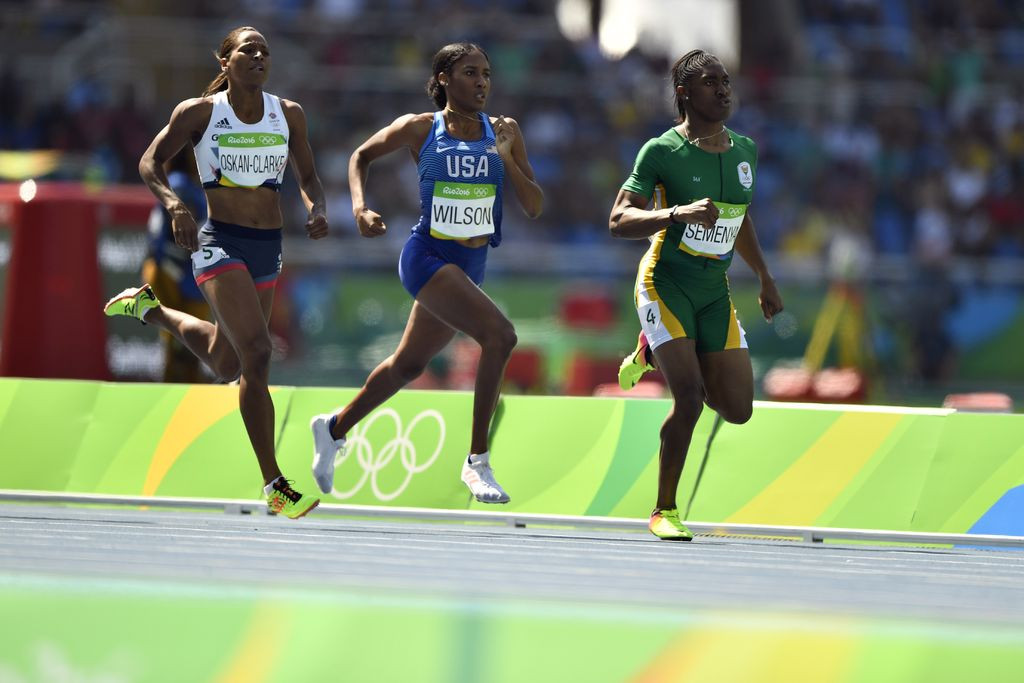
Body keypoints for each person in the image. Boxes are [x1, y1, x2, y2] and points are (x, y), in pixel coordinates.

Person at [103, 26, 328, 519]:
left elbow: (307, 174)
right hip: (219, 242)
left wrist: (315, 207)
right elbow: (149, 162)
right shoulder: (199, 114)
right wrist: (175, 207)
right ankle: (274, 484)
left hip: (268, 246)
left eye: (265, 50)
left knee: (229, 365)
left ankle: (151, 310)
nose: (259, 55)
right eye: (248, 49)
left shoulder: (288, 114)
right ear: (224, 62)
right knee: (258, 353)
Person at [310, 42, 543, 504]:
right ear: (443, 80)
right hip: (427, 257)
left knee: (408, 364)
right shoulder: (422, 128)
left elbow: (533, 206)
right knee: (501, 336)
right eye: (470, 73)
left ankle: (334, 428)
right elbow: (360, 155)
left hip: (470, 266)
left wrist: (507, 158)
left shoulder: (504, 130)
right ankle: (477, 461)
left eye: (487, 73)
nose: (482, 82)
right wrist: (360, 208)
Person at [609, 49, 783, 540]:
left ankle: (650, 348)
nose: (723, 89)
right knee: (688, 397)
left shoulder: (746, 149)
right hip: (664, 284)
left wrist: (765, 278)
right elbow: (618, 220)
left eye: (726, 81)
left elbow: (738, 218)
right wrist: (676, 213)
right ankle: (664, 509)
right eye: (710, 82)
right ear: (684, 92)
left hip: (713, 292)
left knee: (738, 409)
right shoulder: (661, 151)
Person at [141, 147, 211, 383]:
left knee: (188, 347)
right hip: (176, 273)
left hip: (186, 274)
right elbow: (176, 236)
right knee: (182, 344)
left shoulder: (188, 184)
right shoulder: (181, 185)